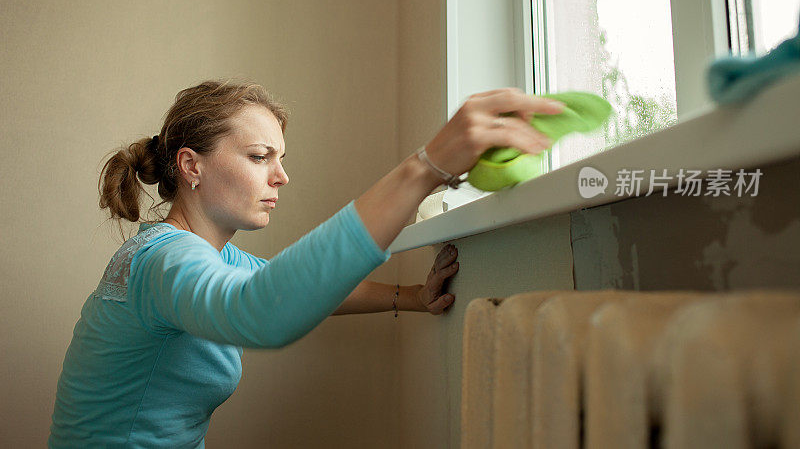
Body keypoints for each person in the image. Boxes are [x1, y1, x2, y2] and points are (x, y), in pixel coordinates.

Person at [48, 79, 565, 447]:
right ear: (191, 166)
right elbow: (263, 310)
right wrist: (425, 168)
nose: (280, 176)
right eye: (258, 156)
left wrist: (411, 298)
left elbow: (290, 285)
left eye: (281, 159)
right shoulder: (164, 261)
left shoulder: (212, 257)